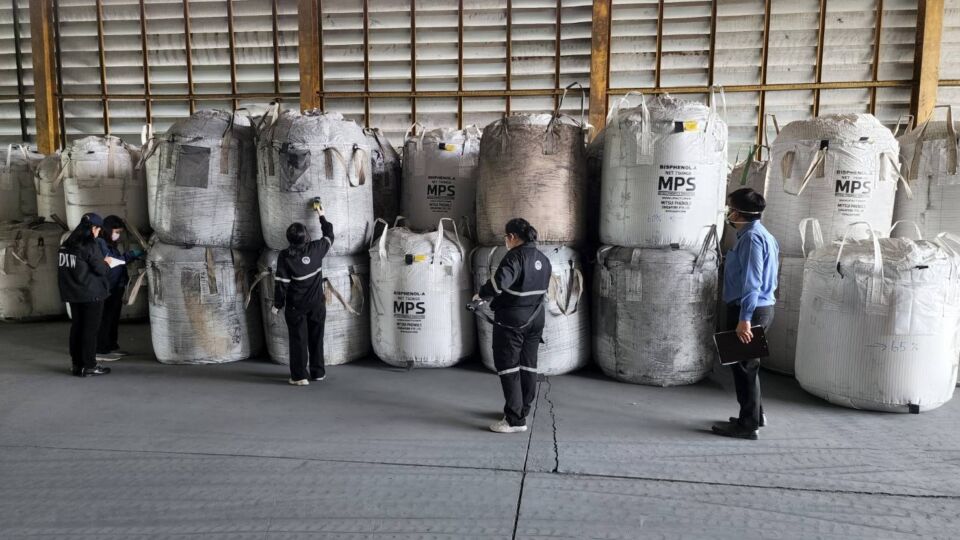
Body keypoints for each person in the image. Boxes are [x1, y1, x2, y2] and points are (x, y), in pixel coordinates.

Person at [712, 188, 780, 440]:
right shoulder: (763, 235)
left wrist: (745, 319)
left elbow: (753, 281)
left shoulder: (751, 239)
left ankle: (747, 425)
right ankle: (754, 415)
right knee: (747, 366)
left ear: (740, 213)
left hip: (749, 310)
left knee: (745, 368)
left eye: (731, 208)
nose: (729, 213)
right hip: (758, 308)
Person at [475, 218, 552, 434]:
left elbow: (500, 282)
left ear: (511, 237)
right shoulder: (543, 258)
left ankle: (515, 421)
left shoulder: (515, 257)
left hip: (513, 320)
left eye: (506, 237)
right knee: (528, 365)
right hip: (536, 319)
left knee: (508, 366)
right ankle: (521, 409)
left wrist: (481, 294)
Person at [273, 201, 334, 386]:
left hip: (296, 306)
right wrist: (321, 215)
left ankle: (299, 376)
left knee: (298, 339)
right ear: (306, 237)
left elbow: (281, 283)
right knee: (317, 337)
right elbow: (330, 235)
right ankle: (318, 373)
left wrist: (277, 305)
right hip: (316, 303)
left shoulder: (285, 256)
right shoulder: (316, 249)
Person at [58, 213, 115, 377]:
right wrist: (107, 262)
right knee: (90, 331)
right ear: (93, 229)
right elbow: (101, 270)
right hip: (91, 295)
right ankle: (90, 365)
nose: (98, 233)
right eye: (98, 230)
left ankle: (77, 365)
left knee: (77, 328)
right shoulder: (89, 245)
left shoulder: (66, 244)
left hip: (73, 294)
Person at [95, 215, 144, 361]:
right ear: (108, 230)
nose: (118, 235)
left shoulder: (110, 243)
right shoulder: (101, 243)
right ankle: (101, 349)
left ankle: (110, 346)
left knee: (113, 318)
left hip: (117, 285)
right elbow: (112, 262)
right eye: (116, 232)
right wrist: (130, 256)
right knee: (106, 318)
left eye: (119, 232)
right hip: (107, 286)